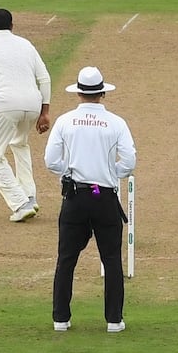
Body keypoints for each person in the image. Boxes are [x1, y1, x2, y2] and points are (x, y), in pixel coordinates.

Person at [45, 66, 136, 333]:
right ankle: (114, 321)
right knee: (111, 259)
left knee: (66, 259)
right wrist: (109, 174)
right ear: (102, 94)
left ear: (79, 94)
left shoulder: (65, 121)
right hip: (103, 194)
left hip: (76, 196)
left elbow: (51, 161)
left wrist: (70, 173)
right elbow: (129, 162)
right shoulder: (116, 123)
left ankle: (61, 319)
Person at [0, 8, 52, 223]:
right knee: (19, 144)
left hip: (6, 104)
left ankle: (20, 203)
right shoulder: (25, 44)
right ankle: (29, 196)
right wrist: (44, 112)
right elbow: (44, 78)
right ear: (12, 25)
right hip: (33, 104)